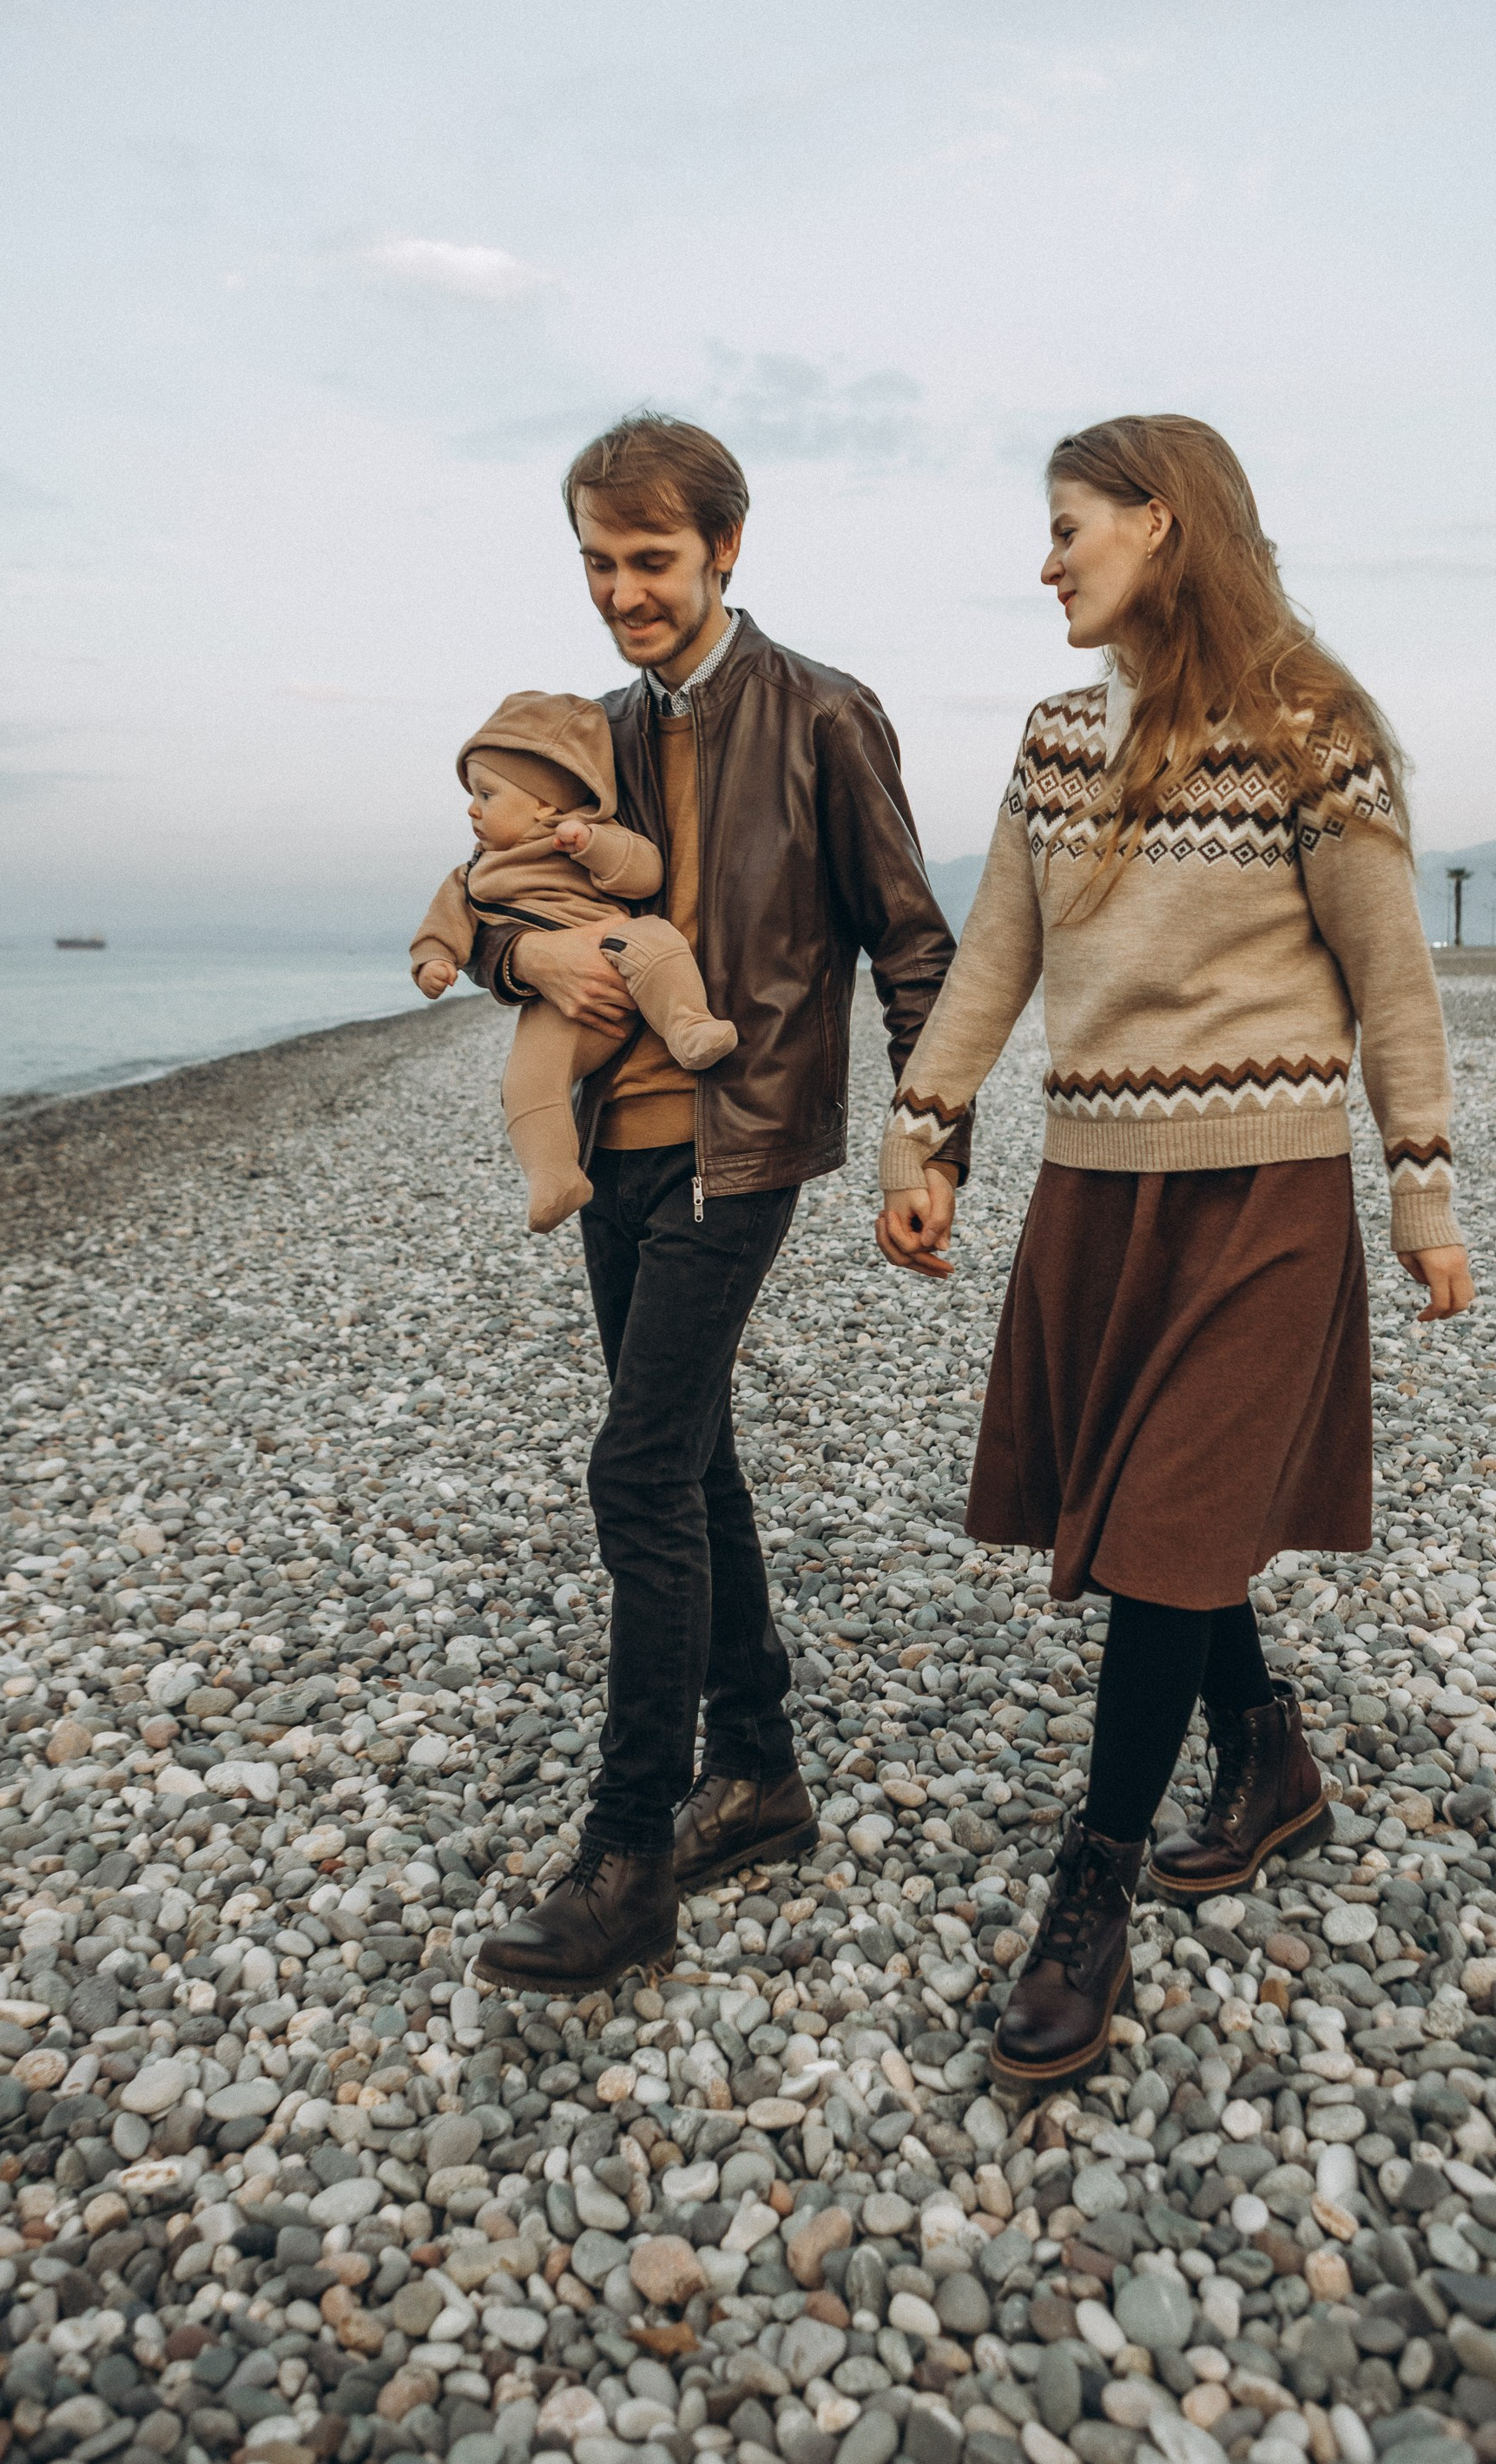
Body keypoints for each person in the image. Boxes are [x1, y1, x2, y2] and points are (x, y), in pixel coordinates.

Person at [875, 412, 1473, 2086]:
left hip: (1265, 1193)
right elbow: (991, 958)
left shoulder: (1308, 733)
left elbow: (1389, 983)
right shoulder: (1056, 739)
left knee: (1161, 1527)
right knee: (1154, 1514)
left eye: (1067, 526)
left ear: (1160, 525)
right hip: (1092, 1190)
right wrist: (920, 1131)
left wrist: (1419, 1187)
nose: (1045, 559)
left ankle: (1094, 1881)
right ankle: (1266, 1753)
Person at [467, 413, 966, 1994]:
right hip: (609, 1142)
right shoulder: (586, 729)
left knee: (633, 1477)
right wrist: (517, 961)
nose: (622, 591)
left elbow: (911, 945)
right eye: (599, 562)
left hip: (737, 1142)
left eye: (651, 560)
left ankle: (630, 1855)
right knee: (688, 1455)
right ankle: (755, 1772)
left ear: (726, 549)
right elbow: (498, 897)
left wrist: (927, 1143)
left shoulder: (822, 714)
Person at [410, 693, 736, 1232]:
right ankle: (555, 1175)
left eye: (487, 794)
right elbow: (443, 927)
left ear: (544, 802)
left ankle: (688, 1024)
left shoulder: (585, 837)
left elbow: (645, 873)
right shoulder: (474, 875)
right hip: (557, 1007)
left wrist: (591, 846)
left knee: (655, 936)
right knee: (527, 1082)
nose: (472, 808)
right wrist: (434, 963)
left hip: (624, 957)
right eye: (472, 793)